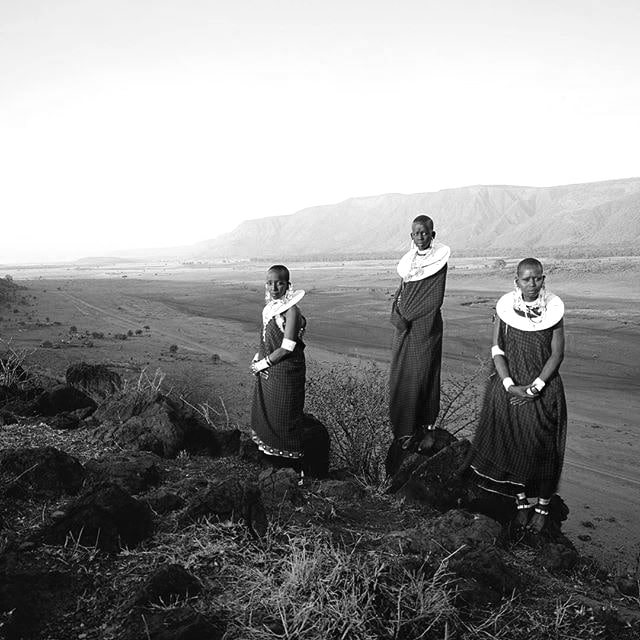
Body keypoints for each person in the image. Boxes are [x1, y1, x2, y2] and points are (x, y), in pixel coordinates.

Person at [469, 258, 567, 534]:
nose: (532, 284)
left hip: (545, 390)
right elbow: (497, 349)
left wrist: (535, 388)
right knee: (513, 444)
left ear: (544, 279)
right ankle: (521, 502)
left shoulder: (554, 311)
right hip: (510, 387)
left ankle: (543, 507)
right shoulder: (504, 310)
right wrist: (510, 386)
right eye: (526, 279)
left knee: (545, 448)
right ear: (517, 281)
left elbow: (557, 354)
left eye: (537, 278)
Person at [388, 215, 451, 464]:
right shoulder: (408, 263)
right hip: (404, 328)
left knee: (422, 373)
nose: (421, 236)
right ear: (411, 236)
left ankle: (422, 427)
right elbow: (403, 290)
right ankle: (403, 429)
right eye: (416, 233)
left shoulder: (439, 261)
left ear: (432, 235)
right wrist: (396, 312)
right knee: (401, 373)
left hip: (425, 328)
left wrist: (407, 315)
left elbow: (433, 298)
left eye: (425, 232)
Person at [250, 265, 307, 472]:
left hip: (286, 372)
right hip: (270, 371)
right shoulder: (269, 309)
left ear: (288, 285)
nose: (274, 287)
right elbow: (266, 339)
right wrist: (258, 357)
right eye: (270, 283)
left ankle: (294, 468)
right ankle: (271, 462)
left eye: (280, 283)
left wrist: (261, 364)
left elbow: (287, 347)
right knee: (269, 412)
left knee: (285, 415)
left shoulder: (292, 311)